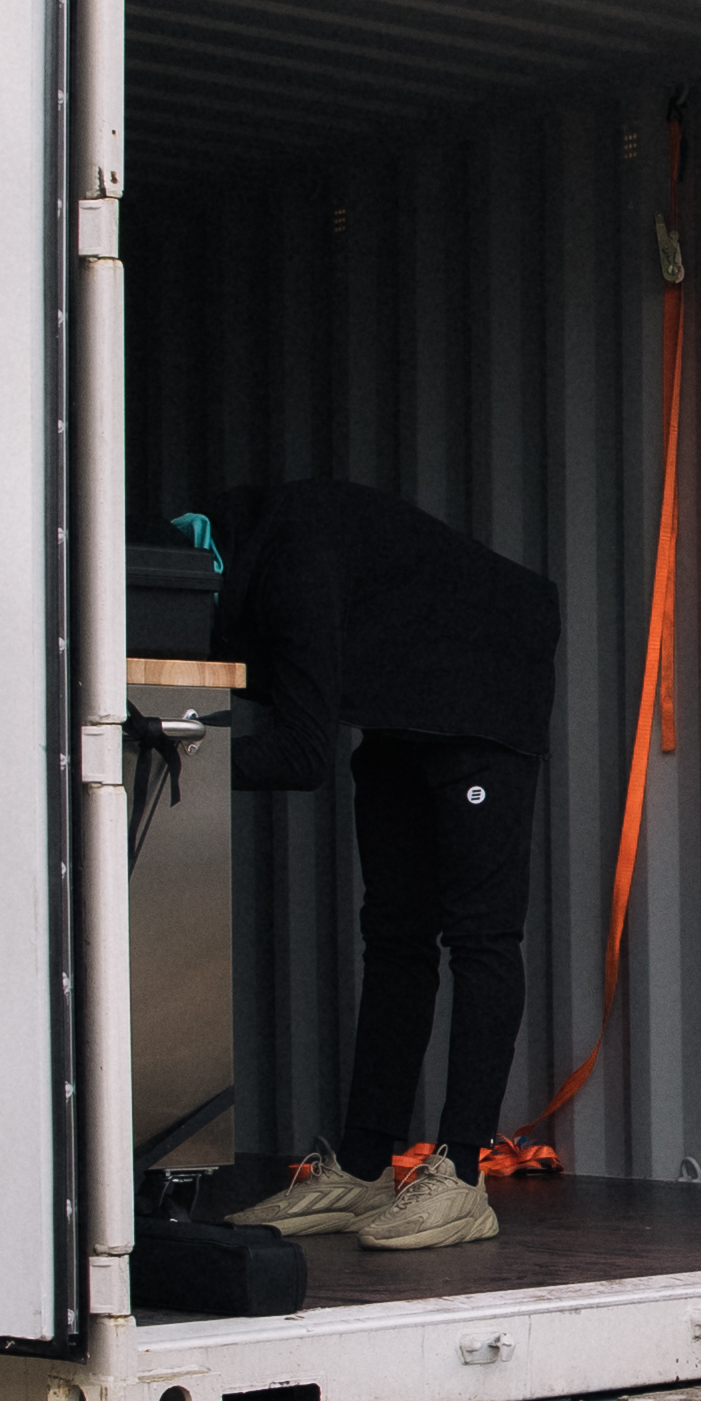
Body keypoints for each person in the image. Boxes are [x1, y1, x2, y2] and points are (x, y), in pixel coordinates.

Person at [207, 481, 562, 1255]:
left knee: (481, 936)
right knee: (396, 939)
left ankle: (461, 1176)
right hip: (399, 709)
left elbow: (301, 756)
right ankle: (365, 1167)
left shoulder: (290, 562)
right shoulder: (263, 550)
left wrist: (178, 752)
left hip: (485, 689)